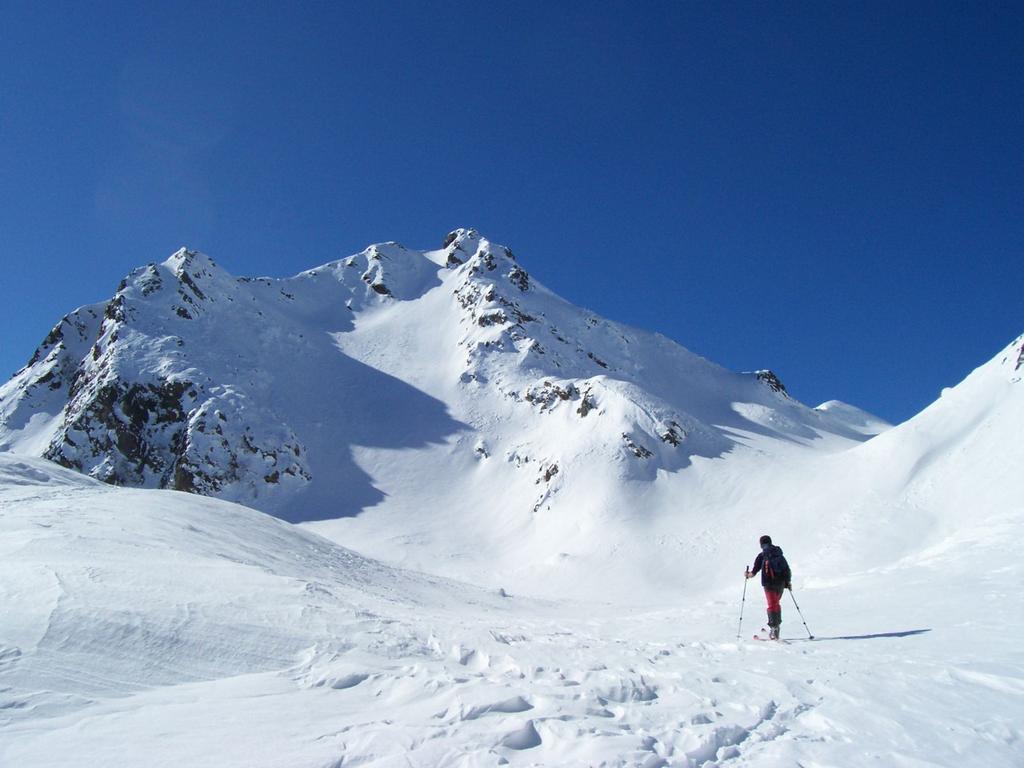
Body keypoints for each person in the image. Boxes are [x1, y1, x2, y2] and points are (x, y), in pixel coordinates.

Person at [746, 534, 791, 640]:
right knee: (775, 604)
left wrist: (747, 574)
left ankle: (774, 630)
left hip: (768, 584)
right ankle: (775, 629)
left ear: (761, 544)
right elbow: (786, 569)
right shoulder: (779, 554)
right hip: (780, 583)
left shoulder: (762, 555)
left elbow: (753, 573)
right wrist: (788, 582)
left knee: (772, 605)